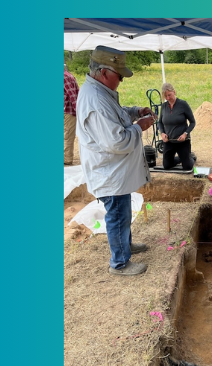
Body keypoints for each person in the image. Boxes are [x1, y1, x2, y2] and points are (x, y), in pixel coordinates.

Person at [76, 46, 157, 276]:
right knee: (118, 214)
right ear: (103, 73)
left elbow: (116, 114)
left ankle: (125, 246)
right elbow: (117, 142)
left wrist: (134, 112)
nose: (121, 79)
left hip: (115, 172)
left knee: (122, 212)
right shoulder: (95, 100)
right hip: (108, 172)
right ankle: (119, 263)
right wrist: (139, 126)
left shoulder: (99, 92)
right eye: (118, 75)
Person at [158, 82, 196, 170]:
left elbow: (193, 122)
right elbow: (159, 122)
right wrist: (162, 133)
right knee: (167, 166)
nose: (168, 98)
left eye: (169, 95)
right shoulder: (164, 106)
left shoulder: (183, 105)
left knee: (187, 167)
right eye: (165, 96)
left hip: (182, 141)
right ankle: (181, 158)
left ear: (174, 92)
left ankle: (191, 158)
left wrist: (185, 134)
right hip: (169, 142)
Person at [64, 64, 79, 165]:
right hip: (67, 110)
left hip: (66, 110)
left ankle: (66, 158)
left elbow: (72, 95)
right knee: (67, 134)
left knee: (66, 134)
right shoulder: (66, 76)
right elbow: (73, 95)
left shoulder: (65, 77)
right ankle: (66, 158)